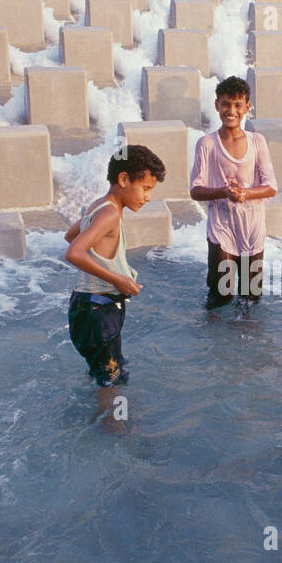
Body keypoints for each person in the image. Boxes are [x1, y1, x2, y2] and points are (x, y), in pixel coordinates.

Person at [64, 145, 165, 386]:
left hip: (87, 306)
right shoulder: (110, 215)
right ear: (123, 179)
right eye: (146, 188)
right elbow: (74, 251)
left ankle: (100, 417)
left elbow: (71, 235)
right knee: (112, 383)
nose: (148, 197)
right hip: (98, 312)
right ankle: (113, 422)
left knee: (105, 372)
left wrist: (104, 259)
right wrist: (116, 279)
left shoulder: (98, 206)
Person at [190, 75, 278, 310]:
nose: (231, 110)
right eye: (226, 104)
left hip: (253, 228)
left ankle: (248, 343)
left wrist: (244, 194)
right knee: (222, 294)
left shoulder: (258, 141)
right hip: (222, 227)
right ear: (217, 105)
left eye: (238, 105)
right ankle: (214, 343)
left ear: (247, 107)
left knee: (251, 295)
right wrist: (223, 192)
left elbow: (271, 187)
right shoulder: (206, 143)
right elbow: (195, 191)